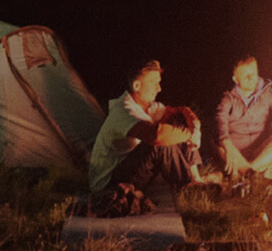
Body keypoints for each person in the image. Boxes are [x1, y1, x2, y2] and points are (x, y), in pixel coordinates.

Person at [88, 60, 206, 193]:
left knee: (179, 123)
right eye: (154, 82)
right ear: (137, 85)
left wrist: (194, 124)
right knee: (160, 143)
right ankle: (189, 187)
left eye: (159, 82)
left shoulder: (147, 106)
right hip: (109, 183)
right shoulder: (124, 110)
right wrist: (189, 135)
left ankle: (196, 178)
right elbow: (155, 137)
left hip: (129, 173)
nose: (159, 88)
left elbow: (179, 112)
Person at [215, 55, 272, 176]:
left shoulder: (268, 92)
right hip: (234, 152)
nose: (251, 77)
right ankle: (251, 174)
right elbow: (220, 119)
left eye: (253, 72)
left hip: (259, 154)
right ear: (235, 78)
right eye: (245, 74)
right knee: (219, 143)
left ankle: (248, 172)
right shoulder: (228, 97)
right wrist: (227, 144)